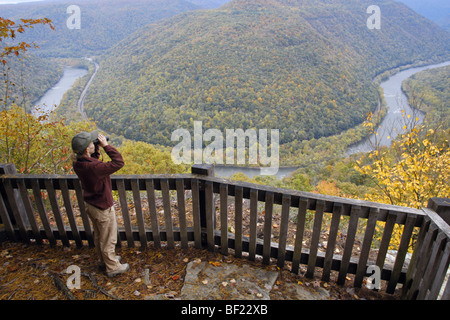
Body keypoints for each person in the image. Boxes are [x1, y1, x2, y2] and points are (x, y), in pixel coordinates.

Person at [72, 131, 129, 277]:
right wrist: (106, 146)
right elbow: (118, 162)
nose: (93, 144)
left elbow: (94, 161)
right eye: (92, 143)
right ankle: (113, 267)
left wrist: (96, 148)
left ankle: (104, 261)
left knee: (99, 236)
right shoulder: (94, 168)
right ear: (86, 149)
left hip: (91, 204)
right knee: (109, 239)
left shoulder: (79, 163)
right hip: (102, 207)